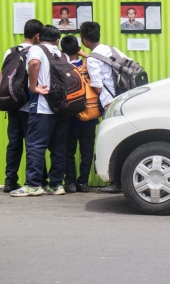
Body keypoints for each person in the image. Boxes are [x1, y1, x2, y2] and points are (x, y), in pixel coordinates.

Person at [10, 25, 71, 197]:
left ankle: (33, 185)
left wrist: (33, 86)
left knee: (35, 146)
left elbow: (35, 63)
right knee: (58, 148)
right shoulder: (62, 54)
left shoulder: (36, 49)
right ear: (57, 40)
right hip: (61, 107)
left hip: (43, 106)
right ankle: (56, 184)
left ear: (39, 37)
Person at [80, 21, 128, 193]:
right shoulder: (113, 50)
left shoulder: (93, 59)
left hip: (110, 103)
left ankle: (116, 183)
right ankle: (123, 181)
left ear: (84, 40)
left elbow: (98, 86)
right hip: (125, 99)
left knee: (113, 141)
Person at [2, 19, 49, 192]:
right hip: (30, 105)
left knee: (14, 143)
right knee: (34, 144)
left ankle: (10, 180)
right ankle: (40, 180)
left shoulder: (10, 51)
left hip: (12, 103)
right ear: (37, 36)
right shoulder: (36, 52)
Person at [60, 35, 98, 193]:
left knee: (68, 150)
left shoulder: (61, 67)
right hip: (89, 113)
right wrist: (84, 54)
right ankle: (83, 183)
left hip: (68, 116)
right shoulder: (88, 65)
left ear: (62, 51)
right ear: (78, 49)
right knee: (86, 150)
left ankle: (69, 182)